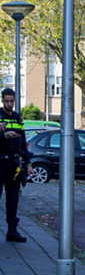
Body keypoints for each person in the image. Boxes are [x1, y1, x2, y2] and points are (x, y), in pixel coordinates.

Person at [0, 88, 35, 243]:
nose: (9, 104)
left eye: (11, 101)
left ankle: (12, 230)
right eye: (6, 101)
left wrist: (28, 163)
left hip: (13, 164)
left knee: (13, 198)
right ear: (2, 100)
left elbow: (23, 142)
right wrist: (3, 135)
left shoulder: (17, 118)